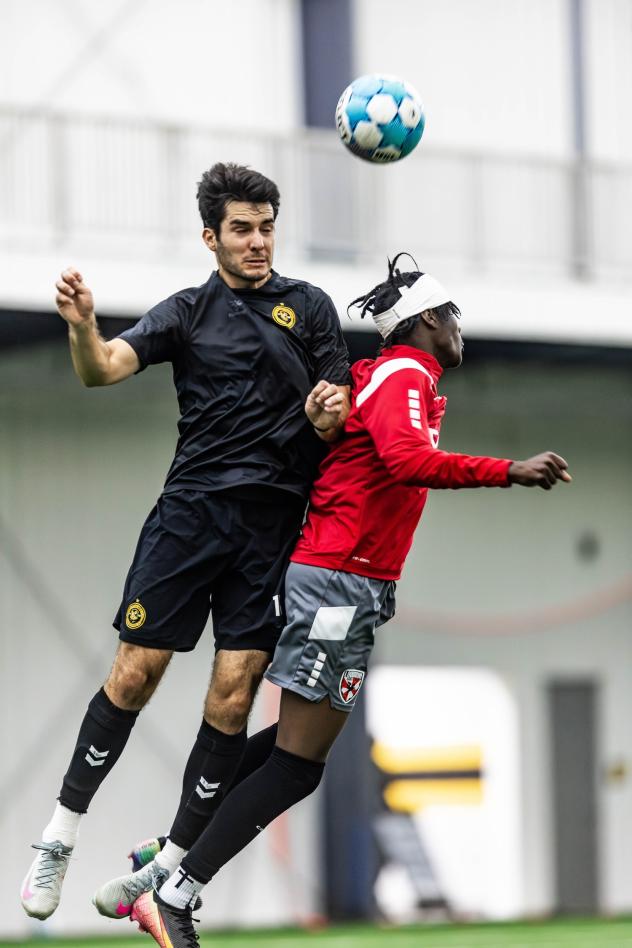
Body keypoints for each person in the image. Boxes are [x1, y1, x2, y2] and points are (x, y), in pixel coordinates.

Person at [124, 254, 571, 948]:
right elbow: (406, 460)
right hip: (339, 581)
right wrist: (508, 469)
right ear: (429, 319)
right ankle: (174, 892)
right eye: (453, 318)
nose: (460, 332)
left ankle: (171, 848)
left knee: (291, 748)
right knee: (299, 765)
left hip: (346, 580)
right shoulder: (404, 375)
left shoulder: (389, 376)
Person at [20, 162, 351, 921]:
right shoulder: (186, 312)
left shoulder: (310, 307)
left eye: (267, 227)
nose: (258, 241)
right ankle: (59, 836)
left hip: (271, 531)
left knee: (232, 697)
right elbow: (102, 370)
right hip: (189, 519)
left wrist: (328, 414)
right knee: (135, 674)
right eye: (242, 229)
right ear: (211, 238)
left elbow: (336, 413)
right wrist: (82, 327)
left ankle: (168, 868)